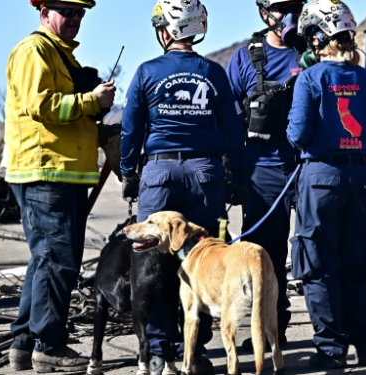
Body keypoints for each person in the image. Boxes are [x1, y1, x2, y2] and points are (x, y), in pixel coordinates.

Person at [121, 1, 245, 374]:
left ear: (165, 31)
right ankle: (198, 349)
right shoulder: (214, 73)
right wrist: (233, 177)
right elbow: (232, 132)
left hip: (159, 173)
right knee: (204, 259)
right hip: (205, 172)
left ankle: (160, 350)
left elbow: (131, 129)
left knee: (152, 263)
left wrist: (129, 173)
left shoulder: (147, 72)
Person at [3, 0, 116, 372]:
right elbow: (41, 105)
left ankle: (24, 343)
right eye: (67, 11)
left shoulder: (59, 56)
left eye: (79, 13)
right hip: (45, 172)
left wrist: (95, 110)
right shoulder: (34, 50)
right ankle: (48, 348)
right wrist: (90, 101)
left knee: (45, 262)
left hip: (60, 174)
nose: (74, 19)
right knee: (58, 263)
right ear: (44, 13)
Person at [286, 0, 366, 369]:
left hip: (321, 178)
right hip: (361, 176)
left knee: (318, 266)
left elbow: (297, 134)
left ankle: (331, 352)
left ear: (318, 37)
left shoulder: (309, 79)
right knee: (359, 262)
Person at [225, 0, 305, 351]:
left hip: (308, 168)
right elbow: (227, 118)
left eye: (294, 6)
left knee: (318, 251)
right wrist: (229, 172)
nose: (289, 15)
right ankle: (269, 332)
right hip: (263, 173)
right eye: (281, 7)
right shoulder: (244, 58)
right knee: (263, 256)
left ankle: (335, 334)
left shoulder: (312, 52)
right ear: (264, 13)